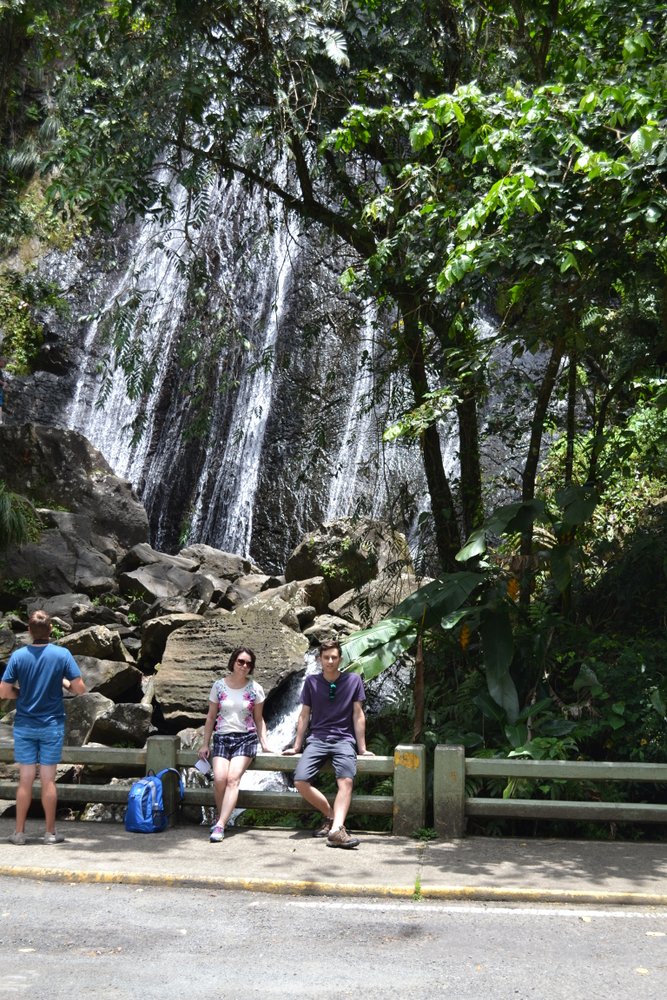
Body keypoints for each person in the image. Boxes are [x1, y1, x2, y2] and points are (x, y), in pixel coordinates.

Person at [0, 610, 86, 844]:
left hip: (25, 724)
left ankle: (19, 833)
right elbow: (80, 689)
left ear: (29, 631)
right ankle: (50, 833)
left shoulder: (19, 656)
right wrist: (63, 682)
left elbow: (4, 692)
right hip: (51, 724)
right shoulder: (62, 654)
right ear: (50, 630)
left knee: (25, 778)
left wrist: (23, 693)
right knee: (48, 780)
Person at [284, 637, 374, 849]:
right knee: (300, 780)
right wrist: (297, 746)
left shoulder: (353, 680)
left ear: (340, 659)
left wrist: (362, 748)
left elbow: (358, 715)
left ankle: (336, 831)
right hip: (317, 739)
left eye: (334, 657)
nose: (330, 661)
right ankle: (332, 817)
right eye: (326, 657)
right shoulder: (312, 682)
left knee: (346, 782)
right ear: (320, 659)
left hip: (344, 739)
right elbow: (304, 716)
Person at [198, 646, 272, 843]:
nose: (244, 666)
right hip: (222, 737)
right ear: (233, 662)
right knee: (220, 779)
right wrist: (205, 744)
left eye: (248, 663)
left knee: (232, 779)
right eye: (241, 661)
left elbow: (259, 719)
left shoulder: (255, 688)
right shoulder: (219, 686)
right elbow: (211, 716)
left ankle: (220, 824)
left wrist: (264, 742)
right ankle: (222, 818)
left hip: (245, 738)